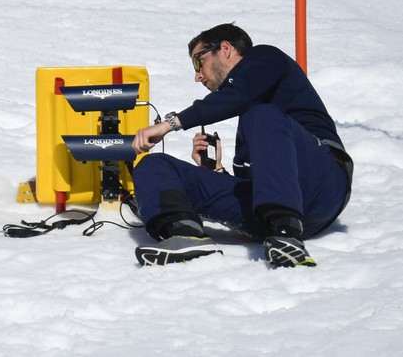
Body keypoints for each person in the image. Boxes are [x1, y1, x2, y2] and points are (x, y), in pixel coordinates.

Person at [129, 23, 353, 268]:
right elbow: (260, 182)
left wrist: (170, 124)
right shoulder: (251, 117)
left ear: (225, 49)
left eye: (198, 62)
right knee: (154, 164)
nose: (198, 75)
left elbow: (238, 95)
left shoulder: (266, 58)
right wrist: (215, 172)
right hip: (269, 209)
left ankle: (286, 234)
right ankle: (183, 234)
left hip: (323, 185)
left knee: (262, 113)